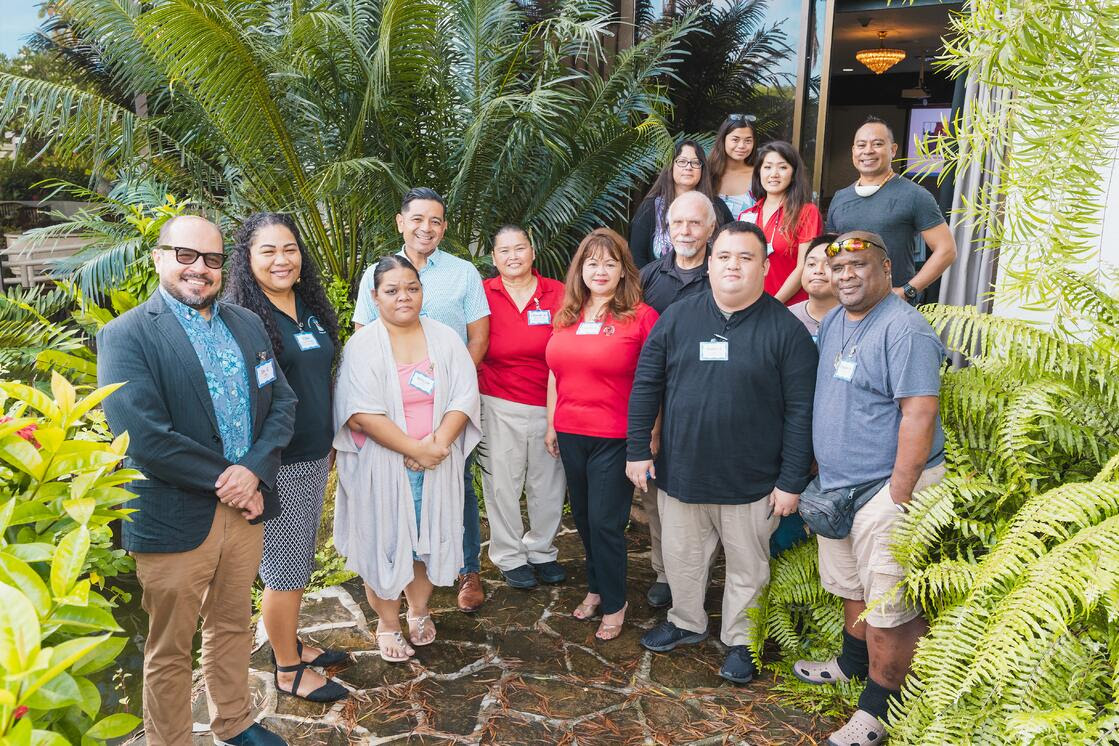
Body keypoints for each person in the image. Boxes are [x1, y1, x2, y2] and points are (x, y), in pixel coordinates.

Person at [97, 215, 296, 746]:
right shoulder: (125, 336)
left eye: (211, 259)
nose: (199, 269)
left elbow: (282, 403)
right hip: (172, 519)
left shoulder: (247, 324)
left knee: (231, 625)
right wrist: (232, 480)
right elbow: (143, 436)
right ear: (159, 257)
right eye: (186, 255)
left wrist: (252, 472)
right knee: (169, 649)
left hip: (245, 511)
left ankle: (234, 721)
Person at [626, 221, 817, 685]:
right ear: (710, 264)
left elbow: (801, 413)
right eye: (725, 256)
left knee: (748, 569)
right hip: (682, 472)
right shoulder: (678, 317)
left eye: (746, 258)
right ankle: (687, 621)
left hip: (751, 481)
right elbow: (646, 383)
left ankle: (741, 641)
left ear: (766, 267)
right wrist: (637, 448)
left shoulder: (787, 331)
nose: (734, 265)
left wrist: (791, 481)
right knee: (682, 559)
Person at [793, 231, 947, 746]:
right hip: (838, 487)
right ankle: (851, 664)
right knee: (852, 588)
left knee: (888, 606)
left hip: (889, 488)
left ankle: (877, 712)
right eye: (838, 269)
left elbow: (919, 413)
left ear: (885, 268)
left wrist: (898, 499)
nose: (847, 276)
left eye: (859, 266)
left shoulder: (906, 330)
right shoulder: (836, 319)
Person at [223, 213, 347, 703]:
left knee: (298, 557)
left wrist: (331, 438)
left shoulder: (308, 306)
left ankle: (289, 640)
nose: (282, 259)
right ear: (247, 259)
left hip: (316, 451)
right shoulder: (243, 319)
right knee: (286, 566)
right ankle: (287, 668)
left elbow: (321, 376)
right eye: (268, 251)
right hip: (280, 460)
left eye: (290, 248)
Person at [333, 255, 482, 663]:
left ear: (422, 292)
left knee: (426, 542)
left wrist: (437, 444)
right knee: (382, 543)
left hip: (436, 464)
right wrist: (414, 449)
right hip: (381, 467)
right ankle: (388, 623)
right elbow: (358, 412)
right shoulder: (362, 345)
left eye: (412, 288)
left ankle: (418, 610)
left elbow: (464, 396)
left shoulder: (444, 338)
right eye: (392, 290)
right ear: (375, 297)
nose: (404, 297)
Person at [352, 188, 490, 613]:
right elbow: (362, 337)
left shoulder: (464, 272)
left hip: (447, 410)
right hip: (390, 414)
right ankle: (394, 599)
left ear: (444, 227)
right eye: (417, 219)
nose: (425, 228)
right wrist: (403, 436)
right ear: (401, 222)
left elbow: (478, 338)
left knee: (456, 490)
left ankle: (467, 567)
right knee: (391, 503)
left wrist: (444, 419)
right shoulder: (376, 273)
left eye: (435, 221)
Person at [545, 228, 659, 640]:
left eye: (610, 263)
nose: (601, 270)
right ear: (580, 269)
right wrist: (550, 423)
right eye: (592, 262)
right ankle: (595, 588)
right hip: (570, 431)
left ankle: (615, 601)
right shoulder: (567, 314)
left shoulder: (641, 316)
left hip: (616, 436)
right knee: (584, 520)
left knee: (606, 523)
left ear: (623, 271)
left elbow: (655, 382)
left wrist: (648, 438)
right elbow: (556, 372)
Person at [635, 190, 717, 609]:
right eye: (678, 223)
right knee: (658, 496)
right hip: (657, 401)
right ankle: (666, 573)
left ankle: (698, 574)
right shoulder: (647, 278)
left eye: (694, 223)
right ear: (667, 230)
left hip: (706, 404)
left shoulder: (722, 276)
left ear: (710, 228)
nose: (685, 231)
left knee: (699, 497)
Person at [476, 225, 568, 589]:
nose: (513, 256)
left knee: (547, 485)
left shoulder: (557, 293)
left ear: (533, 252)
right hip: (497, 401)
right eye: (504, 250)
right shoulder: (482, 294)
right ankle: (510, 555)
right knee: (502, 484)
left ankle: (542, 551)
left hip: (550, 402)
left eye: (520, 248)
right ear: (494, 257)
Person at [825, 116, 957, 305]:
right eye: (861, 145)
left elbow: (947, 249)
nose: (868, 151)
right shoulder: (840, 197)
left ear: (893, 150)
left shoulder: (915, 195)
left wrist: (908, 290)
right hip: (846, 304)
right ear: (854, 151)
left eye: (877, 144)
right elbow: (830, 251)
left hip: (894, 306)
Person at [739, 140, 823, 306]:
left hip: (790, 307)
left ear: (793, 174)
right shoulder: (746, 215)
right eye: (767, 167)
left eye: (782, 167)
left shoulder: (806, 212)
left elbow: (803, 266)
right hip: (749, 306)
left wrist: (773, 304)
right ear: (759, 172)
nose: (774, 173)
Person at [628, 140, 734, 269]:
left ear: (702, 169)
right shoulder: (650, 207)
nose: (688, 167)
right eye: (682, 161)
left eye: (695, 162)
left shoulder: (717, 207)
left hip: (707, 285)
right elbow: (637, 256)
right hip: (658, 285)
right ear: (671, 166)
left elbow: (732, 247)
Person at [787, 233, 839, 343]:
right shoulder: (785, 318)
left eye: (828, 264)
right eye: (811, 264)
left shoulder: (857, 320)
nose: (818, 270)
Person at [709, 113, 759, 218]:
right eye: (735, 140)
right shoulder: (707, 173)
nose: (741, 146)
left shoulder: (759, 176)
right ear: (723, 140)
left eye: (748, 141)